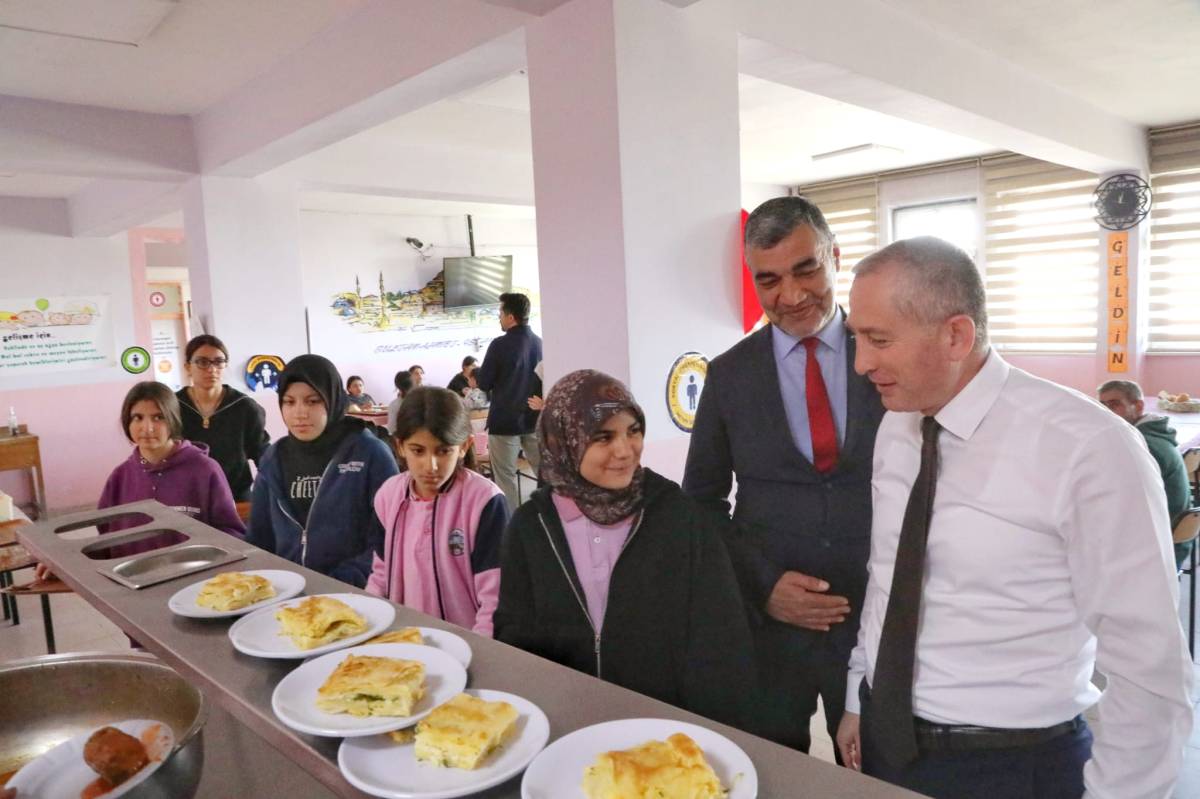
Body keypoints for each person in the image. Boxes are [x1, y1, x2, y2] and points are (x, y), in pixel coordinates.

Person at [835, 237, 1193, 799]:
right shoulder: (898, 425)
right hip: (888, 739)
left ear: (956, 335)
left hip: (1012, 764)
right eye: (857, 338)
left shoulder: (1090, 450)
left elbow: (1149, 668)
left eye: (879, 340)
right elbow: (887, 578)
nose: (861, 363)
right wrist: (862, 693)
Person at [682, 196, 885, 753]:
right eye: (768, 280)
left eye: (806, 269)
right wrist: (762, 586)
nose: (791, 296)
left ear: (835, 257)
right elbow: (700, 502)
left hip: (876, 618)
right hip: (770, 628)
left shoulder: (887, 356)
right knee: (770, 765)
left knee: (878, 772)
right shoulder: (727, 375)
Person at [495, 370, 755, 728]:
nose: (624, 451)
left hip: (665, 730)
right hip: (567, 724)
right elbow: (515, 634)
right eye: (603, 437)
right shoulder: (530, 527)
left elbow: (718, 635)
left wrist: (707, 730)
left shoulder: (677, 516)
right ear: (563, 441)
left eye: (633, 431)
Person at [37, 382, 243, 582]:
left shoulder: (204, 470)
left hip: (195, 583)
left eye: (158, 417)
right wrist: (63, 565)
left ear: (173, 420)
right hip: (133, 584)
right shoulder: (120, 477)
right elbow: (104, 544)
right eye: (137, 417)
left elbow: (232, 533)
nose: (147, 427)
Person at [366, 387, 509, 636]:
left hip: (469, 645)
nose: (430, 466)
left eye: (443, 451)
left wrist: (481, 652)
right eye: (417, 450)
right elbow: (380, 575)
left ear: (464, 446)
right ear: (400, 446)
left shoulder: (485, 501)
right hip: (403, 641)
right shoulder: (388, 496)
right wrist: (368, 627)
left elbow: (494, 596)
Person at [247, 355, 399, 587]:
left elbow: (389, 538)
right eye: (289, 402)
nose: (299, 413)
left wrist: (340, 581)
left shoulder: (370, 454)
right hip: (287, 595)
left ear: (333, 399)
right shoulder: (274, 458)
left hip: (357, 594)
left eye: (312, 401)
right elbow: (259, 536)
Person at [1098, 379, 1194, 567]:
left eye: (1115, 404)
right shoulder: (1152, 435)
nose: (1107, 411)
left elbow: (1125, 501)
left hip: (1162, 548)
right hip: (1168, 535)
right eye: (1102, 405)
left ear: (1138, 406)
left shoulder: (1145, 446)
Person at [175, 334, 270, 502]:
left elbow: (263, 455)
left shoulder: (245, 407)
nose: (212, 369)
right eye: (202, 362)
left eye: (219, 362)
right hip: (188, 498)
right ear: (187, 367)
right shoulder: (173, 406)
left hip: (237, 498)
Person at [475, 292, 543, 511]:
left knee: (505, 478)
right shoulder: (540, 343)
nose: (499, 318)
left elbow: (484, 382)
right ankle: (547, 518)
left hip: (505, 420)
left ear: (511, 317)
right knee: (545, 473)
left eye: (500, 314)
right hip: (534, 418)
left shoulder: (499, 345)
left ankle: (513, 528)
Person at [385, 370, 415, 435]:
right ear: (413, 383)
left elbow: (391, 428)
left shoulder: (394, 404)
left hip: (403, 439)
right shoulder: (422, 400)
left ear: (397, 386)